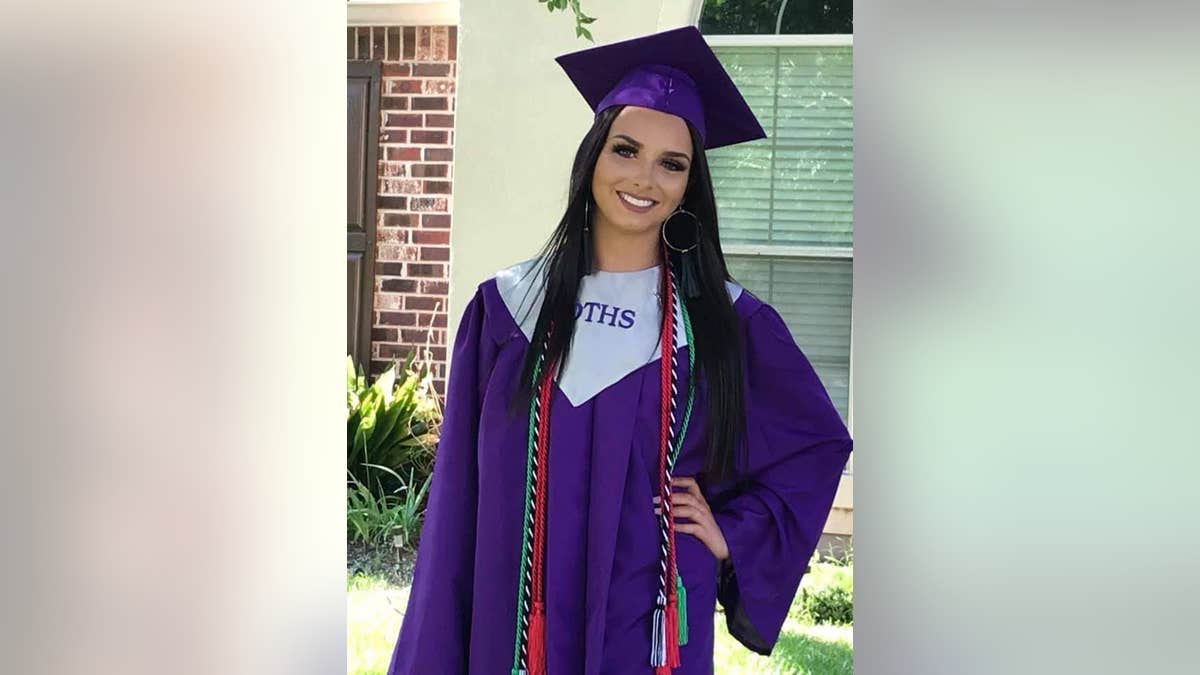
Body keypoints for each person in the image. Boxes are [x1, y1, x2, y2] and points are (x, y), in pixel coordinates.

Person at [386, 25, 852, 675]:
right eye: (625, 150)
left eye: (672, 163)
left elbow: (815, 443)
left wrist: (732, 531)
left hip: (650, 614)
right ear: (593, 158)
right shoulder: (507, 309)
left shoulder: (724, 322)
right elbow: (460, 499)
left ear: (691, 185)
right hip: (515, 617)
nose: (644, 177)